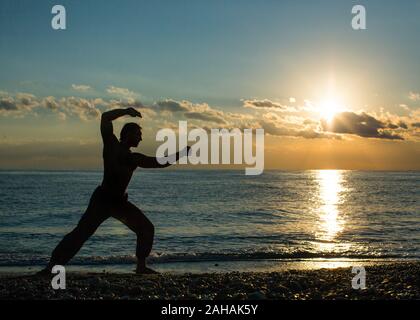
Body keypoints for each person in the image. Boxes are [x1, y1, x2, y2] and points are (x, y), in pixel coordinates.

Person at [38, 107, 189, 274]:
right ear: (128, 134)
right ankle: (51, 268)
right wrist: (126, 111)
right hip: (102, 200)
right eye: (138, 134)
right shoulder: (111, 145)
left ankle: (141, 266)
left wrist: (181, 153)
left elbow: (158, 162)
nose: (141, 138)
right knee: (80, 234)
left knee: (146, 229)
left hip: (119, 203)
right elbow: (105, 118)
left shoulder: (134, 158)